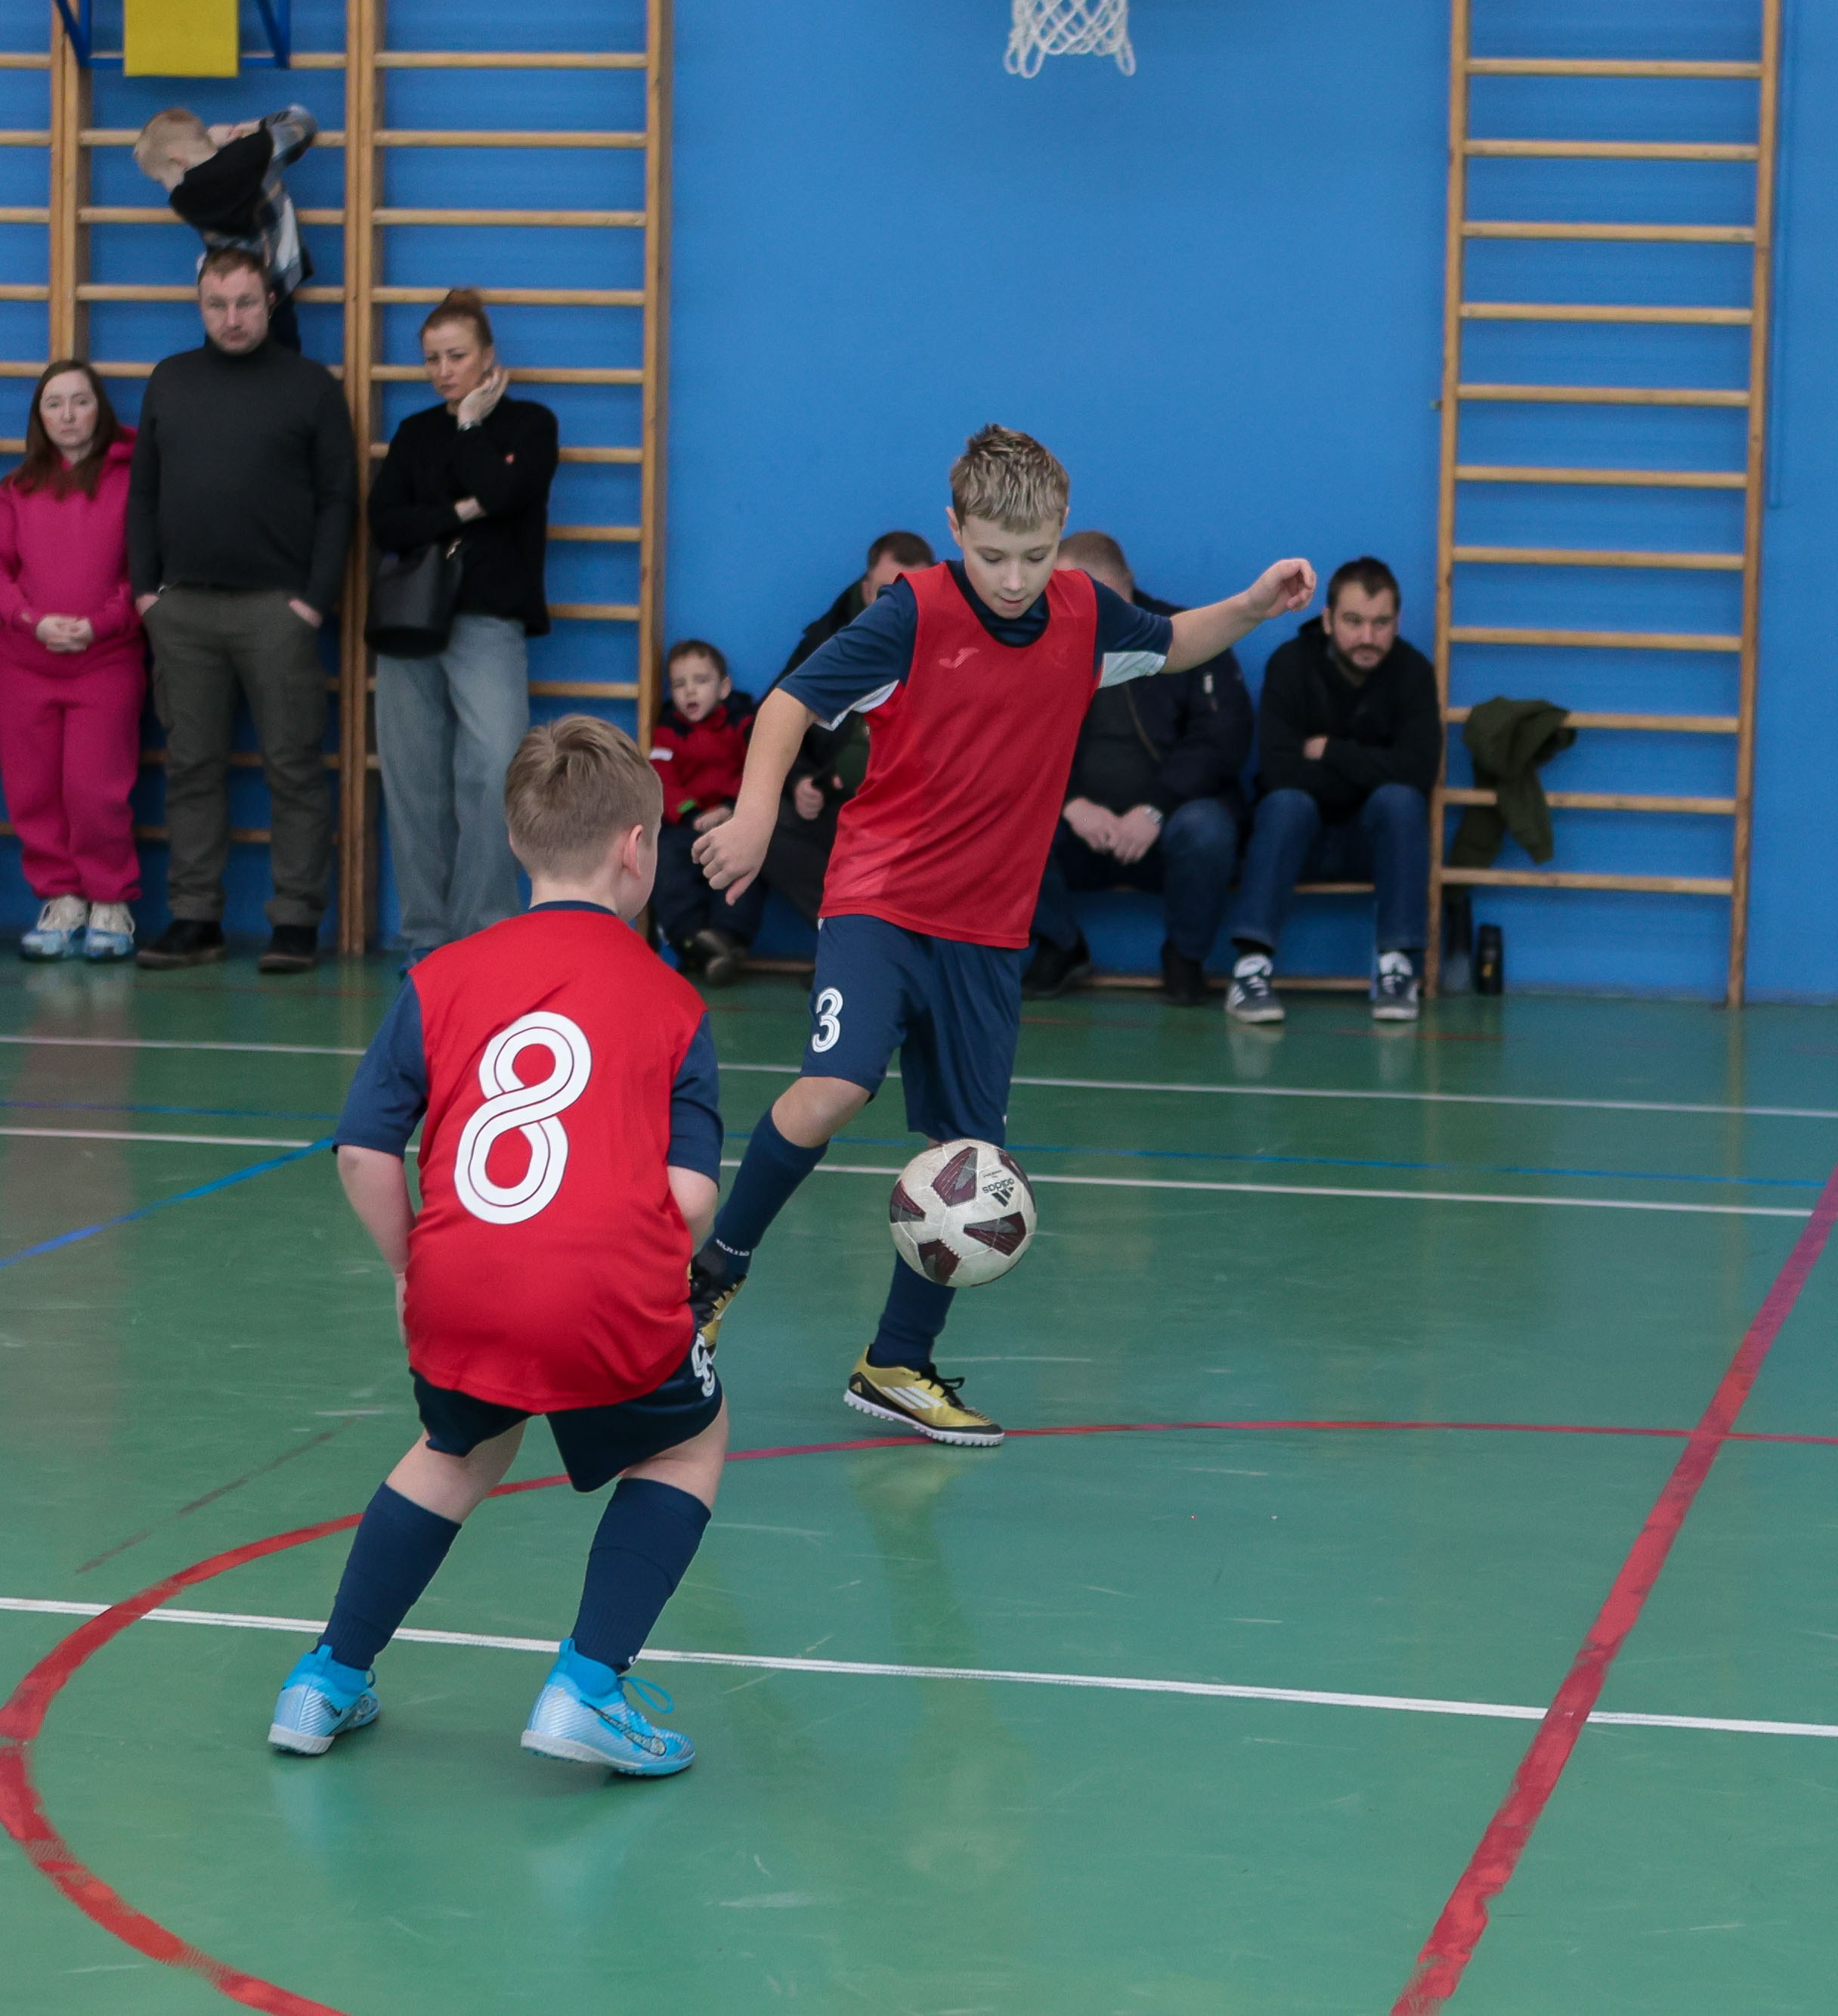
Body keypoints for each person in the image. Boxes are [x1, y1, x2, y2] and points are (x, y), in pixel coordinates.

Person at [691, 425, 1314, 1445]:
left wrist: (1250, 605)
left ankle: (897, 1362)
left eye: (1035, 555)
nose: (1016, 579)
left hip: (988, 931)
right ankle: (711, 1278)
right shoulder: (913, 614)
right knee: (837, 1086)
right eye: (992, 555)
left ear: (1061, 536)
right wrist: (756, 816)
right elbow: (793, 702)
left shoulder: (1081, 610)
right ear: (955, 532)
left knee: (970, 1160)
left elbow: (1173, 642)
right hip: (882, 900)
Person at [267, 716, 728, 1777]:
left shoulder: (442, 975)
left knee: (458, 1447)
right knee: (687, 1440)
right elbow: (691, 1197)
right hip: (602, 1286)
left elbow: (362, 1152)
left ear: (519, 846)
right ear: (637, 846)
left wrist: (406, 1267)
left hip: (459, 1281)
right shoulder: (672, 1000)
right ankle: (590, 1686)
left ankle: (325, 1677)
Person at [128, 245, 357, 974]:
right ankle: (196, 917)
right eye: (218, 304)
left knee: (293, 768)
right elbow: (144, 495)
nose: (232, 317)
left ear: (272, 303)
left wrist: (312, 604)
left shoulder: (311, 387)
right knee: (192, 767)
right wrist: (146, 593)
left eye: (247, 302)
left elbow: (338, 501)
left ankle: (295, 921)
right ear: (200, 306)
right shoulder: (170, 380)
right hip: (182, 611)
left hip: (277, 615)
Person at [368, 293, 559, 964]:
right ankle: (424, 937)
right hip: (409, 627)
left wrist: (475, 430)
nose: (443, 370)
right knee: (412, 781)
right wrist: (464, 508)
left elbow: (509, 497)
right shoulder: (417, 431)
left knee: (495, 773)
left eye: (456, 356)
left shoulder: (531, 424)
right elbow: (386, 521)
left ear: (488, 358)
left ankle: (484, 931)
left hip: (487, 620)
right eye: (432, 359)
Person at [1023, 530, 1252, 1008]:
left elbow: (1222, 738)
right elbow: (1015, 740)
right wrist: (1069, 803)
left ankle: (1185, 956)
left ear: (1125, 585)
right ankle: (1061, 943)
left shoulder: (1185, 632)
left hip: (1171, 832)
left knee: (1208, 829)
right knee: (1002, 819)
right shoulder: (1039, 642)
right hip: (1078, 834)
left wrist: (1155, 809)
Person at [1226, 556, 1440, 1027]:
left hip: (1375, 843)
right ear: (1326, 620)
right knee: (1285, 804)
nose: (1368, 637)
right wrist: (1372, 770)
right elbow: (1280, 770)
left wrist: (1332, 753)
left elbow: (1419, 772)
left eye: (1381, 623)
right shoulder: (1290, 666)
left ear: (1397, 623)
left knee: (1402, 801)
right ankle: (1250, 969)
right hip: (1298, 841)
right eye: (1354, 621)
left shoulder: (1413, 674)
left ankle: (1397, 968)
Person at [0, 362, 144, 962]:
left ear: (99, 409)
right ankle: (62, 899)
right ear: (39, 417)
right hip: (25, 665)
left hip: (104, 662)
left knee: (95, 788)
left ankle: (111, 901)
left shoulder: (134, 481)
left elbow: (144, 570)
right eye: (54, 404)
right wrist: (31, 621)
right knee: (35, 790)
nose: (67, 415)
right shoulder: (16, 489)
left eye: (79, 402)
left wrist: (99, 624)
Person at [760, 529, 935, 927]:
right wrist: (799, 780)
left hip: (910, 811)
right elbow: (776, 718)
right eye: (887, 594)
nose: (900, 609)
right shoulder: (827, 640)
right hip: (834, 805)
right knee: (767, 826)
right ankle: (844, 932)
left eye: (914, 596)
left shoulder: (950, 647)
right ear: (866, 590)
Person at [134, 104, 318, 351]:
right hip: (277, 289)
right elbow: (303, 122)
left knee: (225, 366)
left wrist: (210, 146)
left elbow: (208, 173)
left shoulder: (185, 201)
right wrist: (255, 129)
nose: (168, 189)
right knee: (284, 361)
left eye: (161, 179)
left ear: (179, 162)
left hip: (227, 300)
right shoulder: (259, 153)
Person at [648, 638, 761, 985]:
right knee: (665, 861)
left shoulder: (743, 724)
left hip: (733, 817)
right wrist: (690, 812)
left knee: (745, 863)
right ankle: (694, 941)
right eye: (679, 684)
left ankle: (726, 940)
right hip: (686, 822)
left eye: (701, 681)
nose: (689, 692)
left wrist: (729, 808)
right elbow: (662, 779)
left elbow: (756, 771)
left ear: (724, 687)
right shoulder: (668, 730)